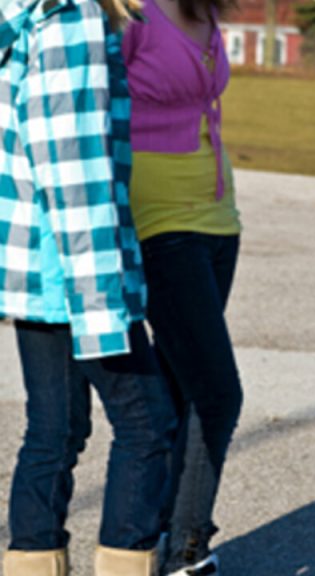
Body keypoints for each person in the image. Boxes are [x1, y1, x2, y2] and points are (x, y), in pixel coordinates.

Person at [0, 0, 178, 574]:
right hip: (74, 270)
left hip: (36, 264)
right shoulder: (70, 16)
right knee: (148, 424)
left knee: (54, 429)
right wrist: (101, 300)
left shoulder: (26, 15)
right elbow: (70, 162)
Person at [121, 0, 242, 573]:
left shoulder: (203, 8)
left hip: (218, 217)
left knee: (184, 388)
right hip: (157, 220)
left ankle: (156, 543)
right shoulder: (127, 15)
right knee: (219, 393)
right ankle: (188, 548)